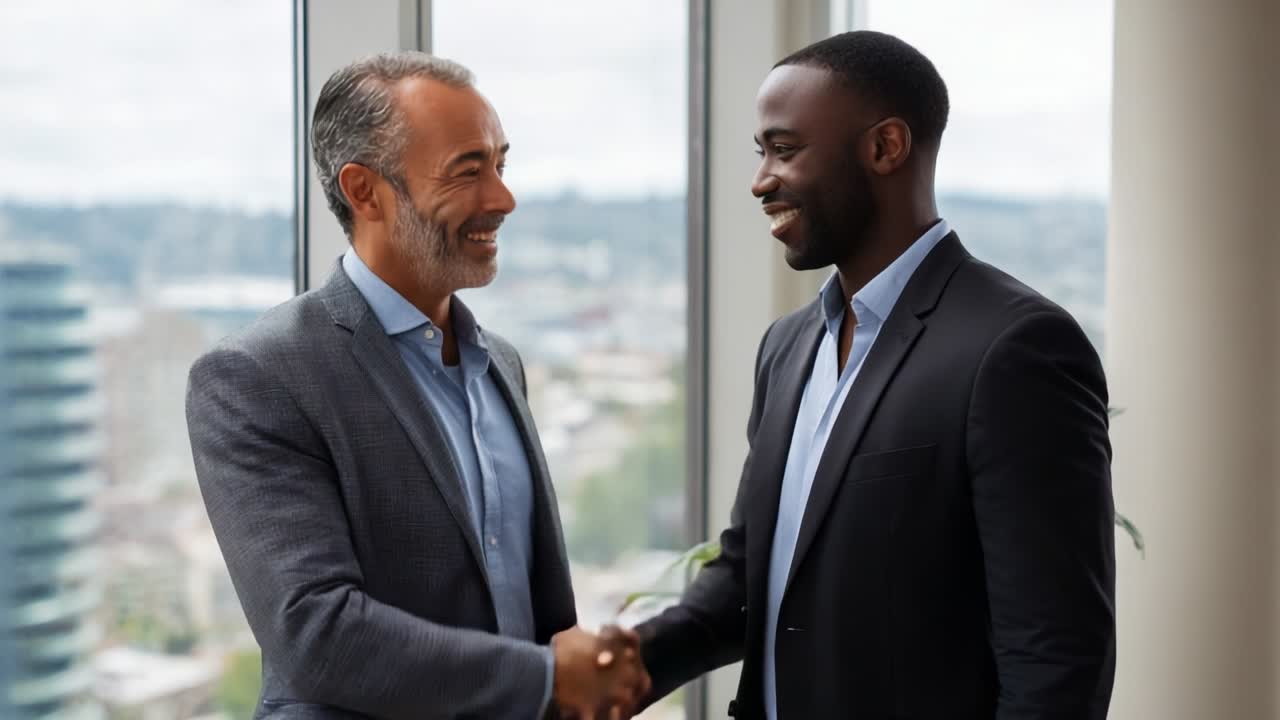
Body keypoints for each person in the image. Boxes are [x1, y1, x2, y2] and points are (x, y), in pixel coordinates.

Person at [635, 31, 1115, 719]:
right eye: (760, 152)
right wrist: (593, 677)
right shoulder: (787, 347)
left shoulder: (1016, 349)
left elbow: (1057, 657)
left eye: (784, 149)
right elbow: (747, 579)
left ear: (885, 147)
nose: (760, 180)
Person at [185, 51, 648, 719]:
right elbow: (318, 635)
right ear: (364, 190)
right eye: (468, 171)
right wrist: (546, 679)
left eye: (500, 164)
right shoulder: (257, 377)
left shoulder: (503, 363)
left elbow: (535, 609)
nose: (503, 198)